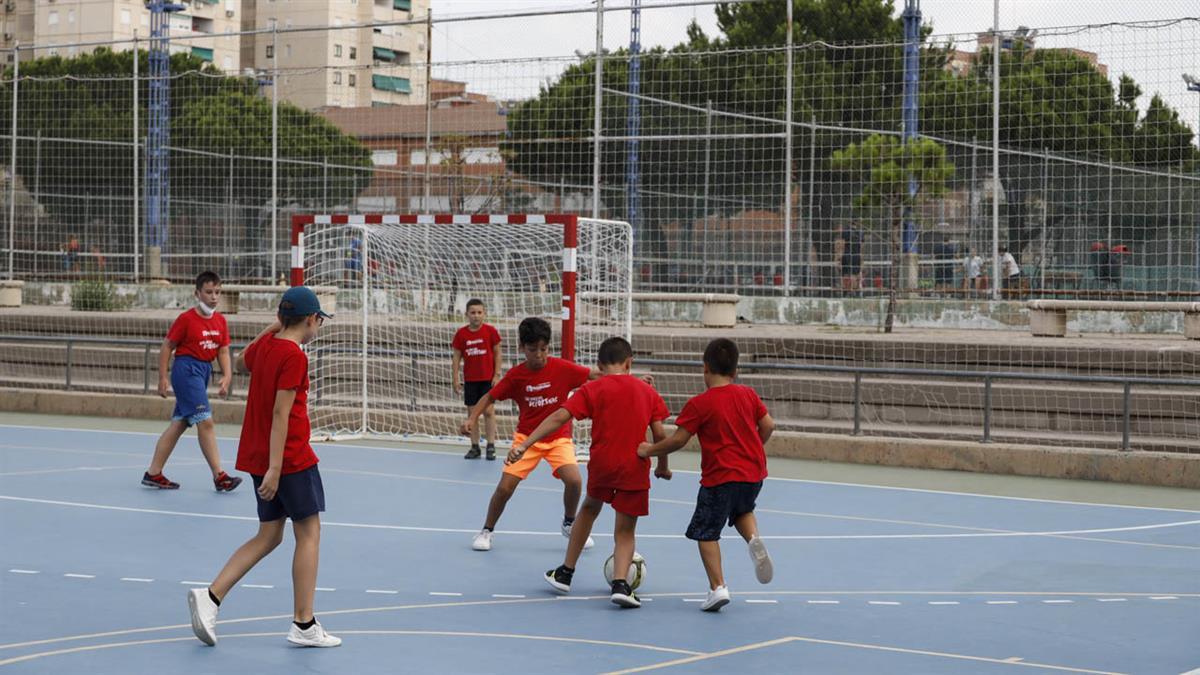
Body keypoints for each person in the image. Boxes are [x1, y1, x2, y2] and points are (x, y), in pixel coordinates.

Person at [187, 286, 340, 649]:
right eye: (319, 318)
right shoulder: (293, 356)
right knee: (309, 533)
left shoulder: (267, 347)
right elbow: (280, 413)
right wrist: (275, 468)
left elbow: (240, 362)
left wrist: (270, 329)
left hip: (260, 454)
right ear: (310, 319)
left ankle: (210, 597)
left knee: (269, 534)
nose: (319, 324)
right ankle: (304, 623)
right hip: (288, 458)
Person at [522, 337, 670, 609]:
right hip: (633, 467)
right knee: (625, 531)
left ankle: (566, 572)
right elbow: (660, 435)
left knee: (589, 509)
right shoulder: (648, 392)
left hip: (602, 464)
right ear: (630, 362)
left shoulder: (593, 389)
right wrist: (662, 466)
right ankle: (621, 584)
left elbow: (559, 417)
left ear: (599, 365)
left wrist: (526, 442)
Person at [638, 338, 776, 612]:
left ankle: (718, 587)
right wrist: (753, 447)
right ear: (735, 371)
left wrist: (648, 450)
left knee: (706, 532)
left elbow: (678, 440)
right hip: (753, 474)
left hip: (720, 477)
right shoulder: (748, 394)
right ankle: (753, 540)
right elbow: (768, 425)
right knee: (742, 511)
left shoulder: (700, 404)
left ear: (705, 368)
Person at [460, 317, 596, 552]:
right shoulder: (516, 376)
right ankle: (486, 530)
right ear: (522, 348)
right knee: (505, 488)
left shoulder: (563, 369)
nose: (539, 355)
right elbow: (489, 397)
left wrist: (632, 381)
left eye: (543, 349)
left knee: (574, 481)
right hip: (526, 440)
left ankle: (569, 523)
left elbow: (597, 375)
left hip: (558, 438)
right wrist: (472, 418)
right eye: (532, 350)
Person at [142, 271, 241, 492]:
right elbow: (167, 346)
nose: (214, 297)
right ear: (197, 293)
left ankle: (153, 473)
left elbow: (223, 351)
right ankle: (219, 476)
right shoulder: (186, 319)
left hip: (203, 371)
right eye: (208, 292)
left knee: (179, 424)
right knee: (205, 421)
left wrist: (227, 375)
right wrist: (162, 377)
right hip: (186, 370)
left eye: (217, 292)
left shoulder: (220, 321)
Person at [452, 299, 502, 460]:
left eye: (479, 312)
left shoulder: (490, 331)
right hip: (471, 379)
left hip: (487, 378)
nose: (476, 316)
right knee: (472, 413)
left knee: (488, 411)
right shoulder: (461, 334)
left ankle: (491, 445)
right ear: (467, 314)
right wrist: (455, 378)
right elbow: (456, 358)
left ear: (484, 314)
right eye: (473, 312)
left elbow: (497, 353)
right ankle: (474, 446)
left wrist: (497, 374)